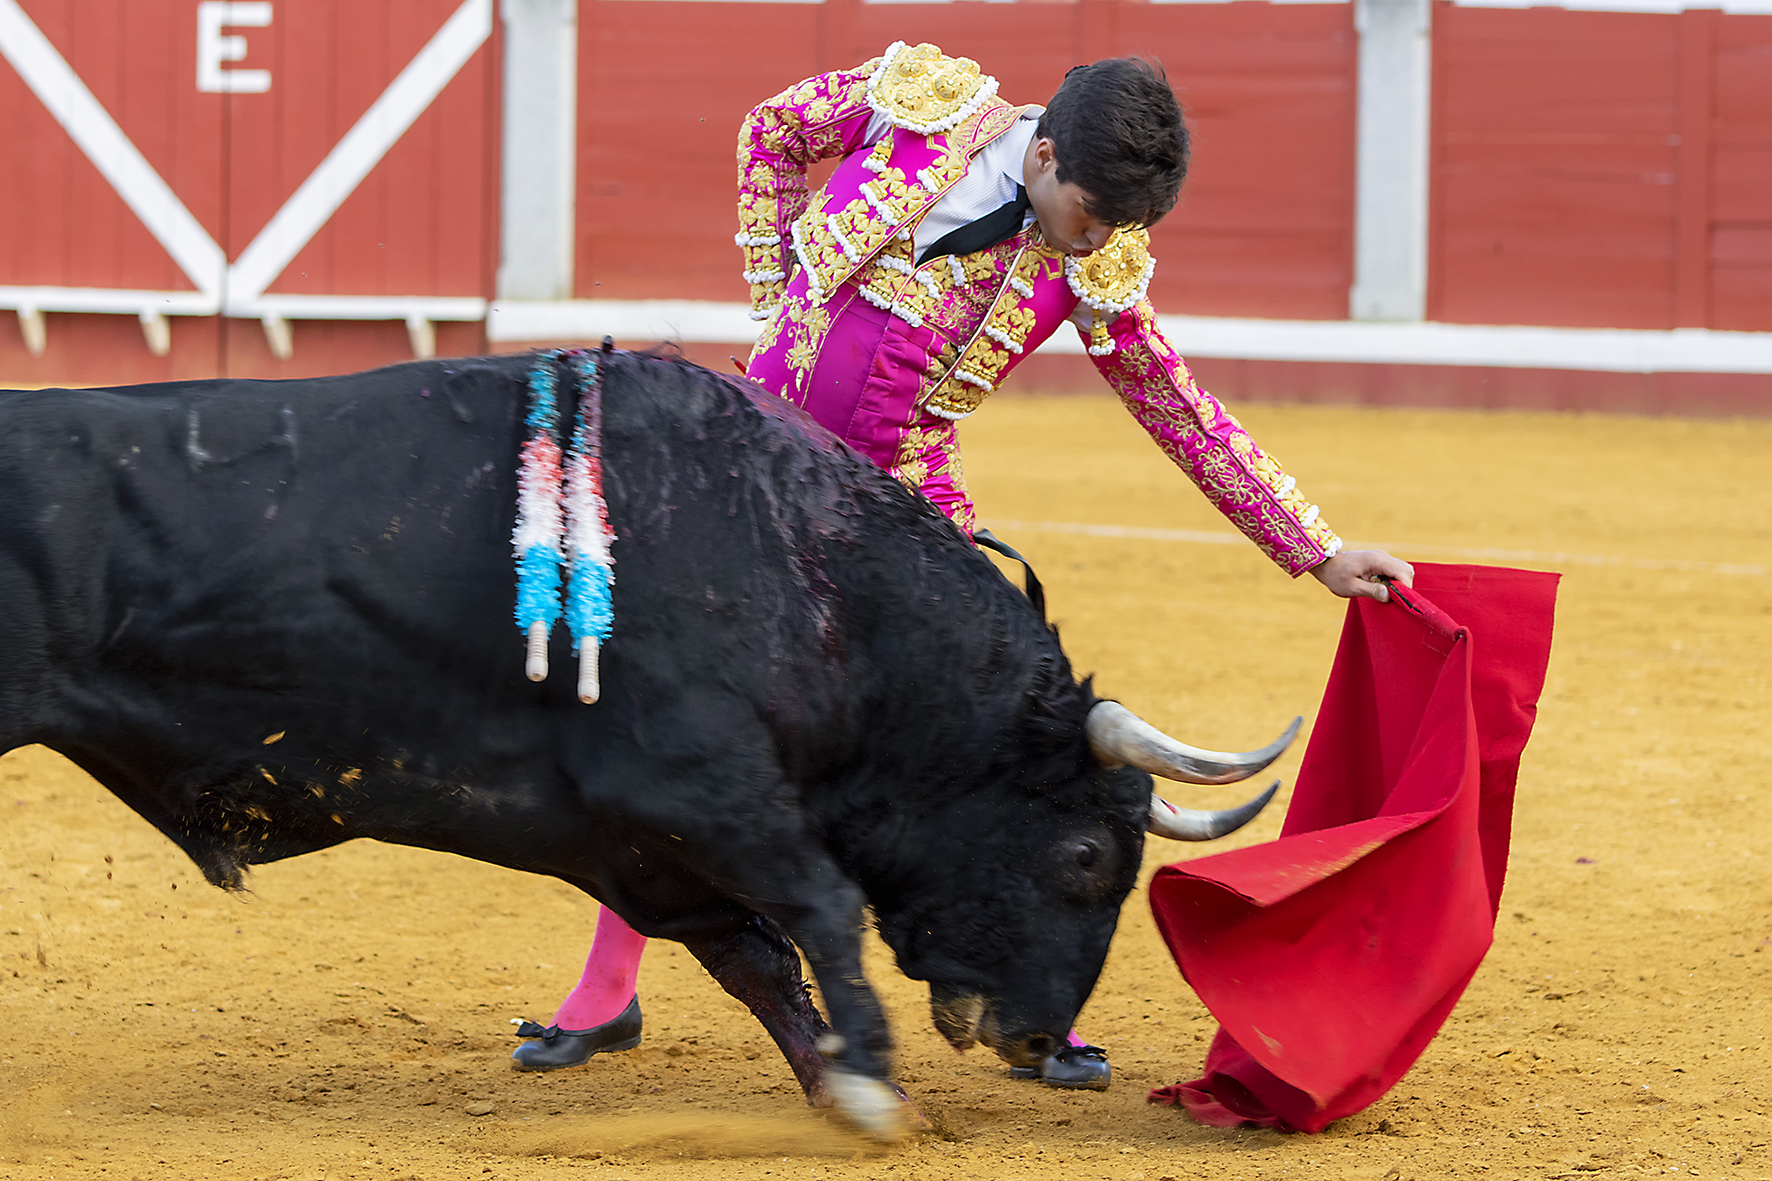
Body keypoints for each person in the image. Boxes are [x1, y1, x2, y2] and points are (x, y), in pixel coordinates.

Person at [512, 41, 1414, 1091]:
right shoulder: (918, 111)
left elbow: (1175, 404)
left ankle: (1026, 999)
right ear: (1039, 154)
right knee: (681, 715)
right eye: (1087, 212)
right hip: (753, 480)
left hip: (907, 515)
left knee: (996, 747)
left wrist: (1313, 548)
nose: (1095, 240)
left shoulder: (1089, 259)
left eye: (1117, 228)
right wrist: (774, 300)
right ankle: (607, 988)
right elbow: (771, 132)